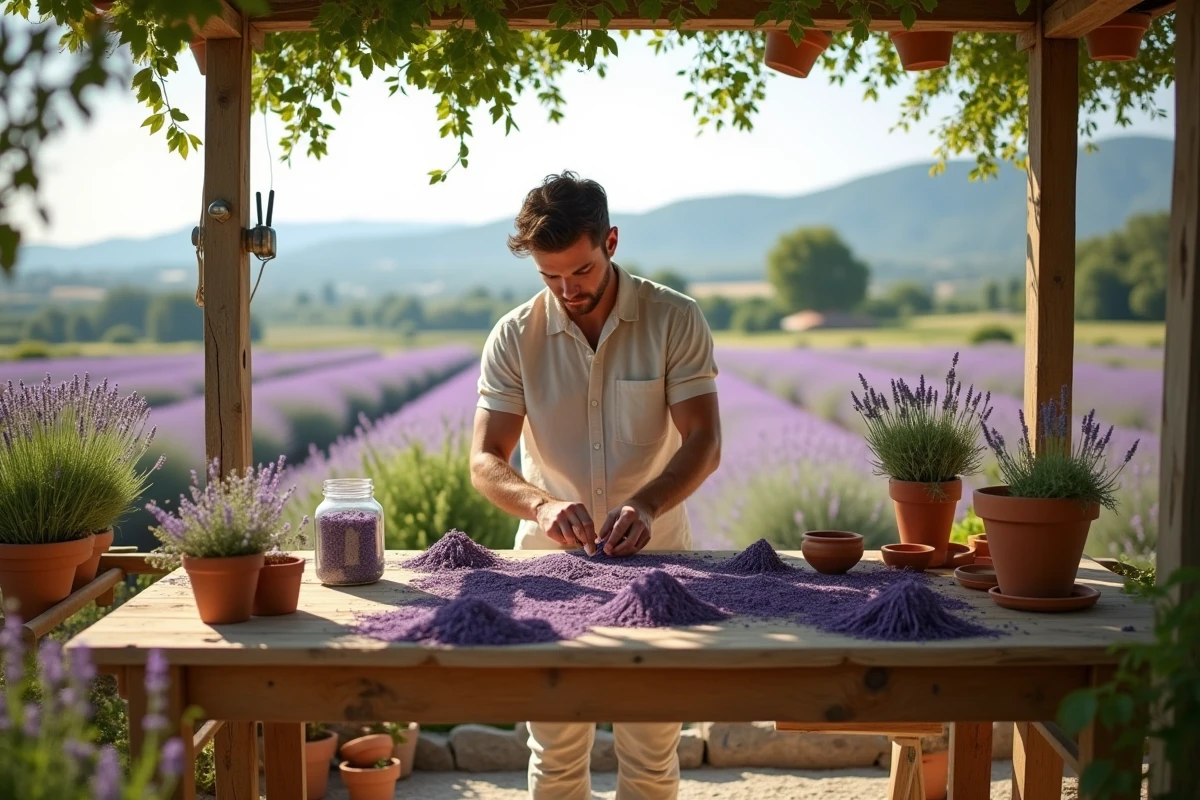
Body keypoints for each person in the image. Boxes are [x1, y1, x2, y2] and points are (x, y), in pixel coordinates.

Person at [469, 171, 722, 798]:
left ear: (610, 241)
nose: (565, 289)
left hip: (660, 564)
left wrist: (647, 501)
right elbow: (484, 459)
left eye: (579, 271)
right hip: (548, 572)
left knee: (653, 757)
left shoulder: (674, 318)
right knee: (554, 758)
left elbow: (705, 443)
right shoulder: (513, 334)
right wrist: (542, 503)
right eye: (548, 275)